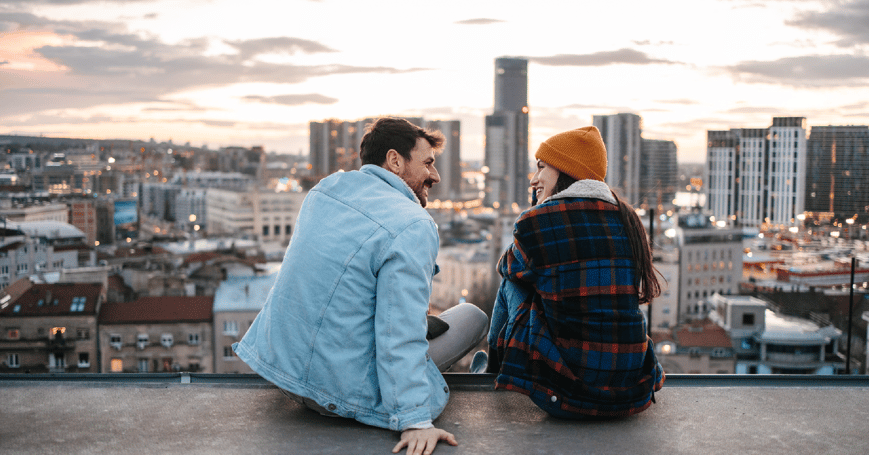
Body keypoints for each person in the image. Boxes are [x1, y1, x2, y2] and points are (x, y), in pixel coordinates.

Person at [233, 117, 488, 455]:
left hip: (283, 373)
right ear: (395, 160)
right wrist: (415, 421)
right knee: (472, 316)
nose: (435, 176)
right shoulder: (411, 224)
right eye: (427, 163)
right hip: (336, 393)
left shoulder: (324, 190)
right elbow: (398, 330)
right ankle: (469, 380)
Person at [483, 126, 665, 419]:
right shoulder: (628, 217)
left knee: (513, 284)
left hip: (566, 393)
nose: (534, 179)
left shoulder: (539, 222)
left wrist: (535, 213)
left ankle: (491, 371)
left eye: (541, 167)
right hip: (631, 390)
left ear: (565, 170)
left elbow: (507, 267)